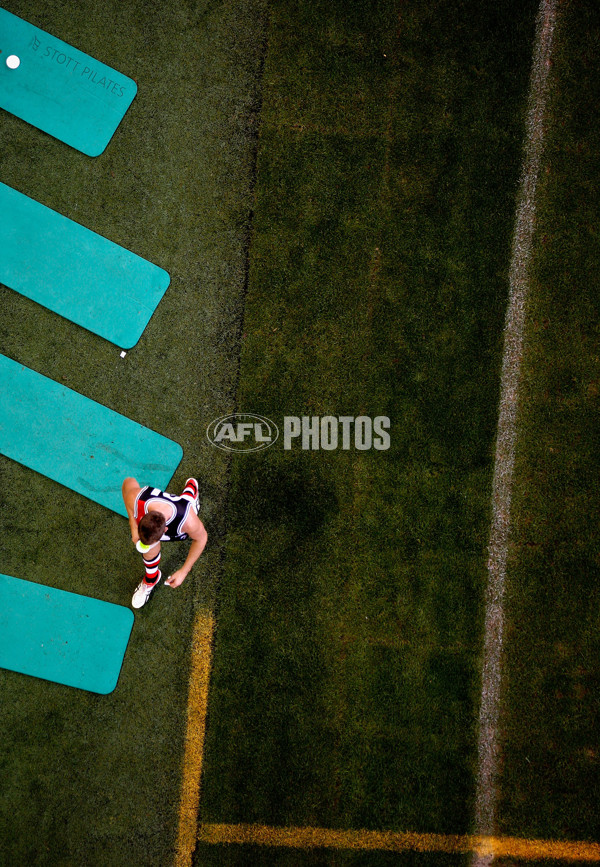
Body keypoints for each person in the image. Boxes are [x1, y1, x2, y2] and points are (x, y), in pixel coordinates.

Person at [121, 476, 208, 609]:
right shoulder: (136, 498)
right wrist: (133, 527)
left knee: (188, 504)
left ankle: (191, 492)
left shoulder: (188, 522)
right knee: (150, 549)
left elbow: (201, 539)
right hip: (169, 513)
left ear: (165, 530)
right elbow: (128, 482)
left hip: (183, 513)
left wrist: (184, 571)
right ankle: (151, 579)